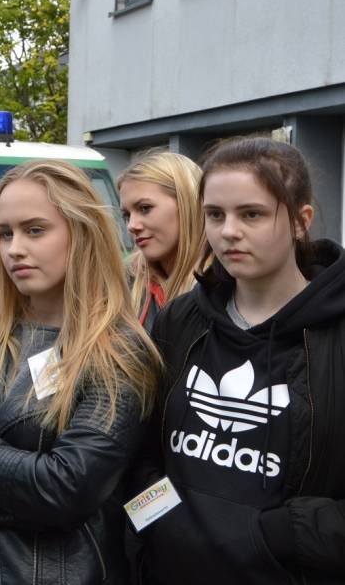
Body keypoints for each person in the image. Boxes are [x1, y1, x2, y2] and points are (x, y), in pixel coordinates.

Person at [0, 159, 162, 585]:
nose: (14, 249)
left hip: (45, 573)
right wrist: (30, 504)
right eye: (5, 234)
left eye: (35, 230)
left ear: (81, 232)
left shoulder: (118, 350)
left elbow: (64, 490)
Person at [134, 137, 345, 583]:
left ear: (301, 221)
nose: (228, 231)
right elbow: (137, 450)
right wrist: (159, 522)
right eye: (215, 215)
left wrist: (279, 536)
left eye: (251, 214)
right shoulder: (181, 318)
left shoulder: (336, 333)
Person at [117, 151, 208, 329]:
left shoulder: (230, 287)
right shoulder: (122, 284)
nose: (132, 226)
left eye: (145, 208)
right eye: (126, 215)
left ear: (187, 204)